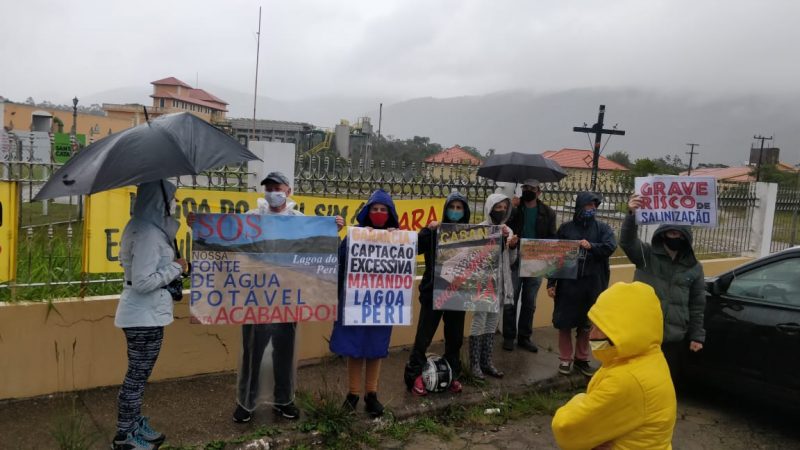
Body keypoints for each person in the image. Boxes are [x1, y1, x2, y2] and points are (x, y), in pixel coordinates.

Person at [231, 171, 344, 423]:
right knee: (252, 351)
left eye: (277, 187)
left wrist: (332, 228)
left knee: (285, 350)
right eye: (268, 188)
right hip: (257, 296)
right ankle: (245, 403)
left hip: (287, 297)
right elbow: (228, 236)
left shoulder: (299, 220)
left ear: (288, 191)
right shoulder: (253, 217)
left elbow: (316, 248)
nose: (273, 192)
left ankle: (284, 400)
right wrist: (199, 224)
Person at [551, 282, 677, 450]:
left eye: (600, 328)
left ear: (624, 331)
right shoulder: (648, 357)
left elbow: (566, 429)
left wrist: (580, 399)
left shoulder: (625, 379)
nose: (592, 335)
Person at [113, 180, 188, 450]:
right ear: (158, 201)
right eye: (170, 199)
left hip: (146, 315)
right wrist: (176, 268)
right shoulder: (147, 233)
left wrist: (172, 266)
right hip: (143, 317)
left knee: (138, 376)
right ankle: (125, 436)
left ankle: (133, 425)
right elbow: (143, 281)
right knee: (136, 377)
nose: (173, 204)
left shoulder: (146, 228)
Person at [329, 189, 399, 417]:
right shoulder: (355, 235)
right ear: (367, 212)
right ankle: (353, 393)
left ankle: (372, 394)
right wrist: (353, 237)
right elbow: (338, 260)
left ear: (390, 214)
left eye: (383, 210)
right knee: (354, 348)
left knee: (376, 348)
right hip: (355, 301)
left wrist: (395, 239)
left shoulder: (398, 238)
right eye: (375, 209)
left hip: (382, 303)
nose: (379, 213)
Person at [620, 194, 705, 376]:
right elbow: (627, 242)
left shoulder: (694, 267)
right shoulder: (646, 256)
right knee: (636, 379)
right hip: (643, 333)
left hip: (673, 338)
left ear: (686, 238)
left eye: (680, 235)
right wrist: (632, 214)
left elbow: (697, 305)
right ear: (663, 234)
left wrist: (697, 335)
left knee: (663, 382)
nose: (676, 237)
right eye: (672, 233)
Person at [403, 191, 470, 396]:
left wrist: (503, 235)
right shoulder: (434, 231)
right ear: (446, 209)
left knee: (454, 339)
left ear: (465, 211)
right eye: (452, 207)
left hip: (458, 295)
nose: (455, 211)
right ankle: (413, 376)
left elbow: (489, 257)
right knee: (423, 337)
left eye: (459, 208)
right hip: (434, 293)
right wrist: (427, 229)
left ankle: (451, 376)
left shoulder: (473, 235)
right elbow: (412, 246)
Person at [547, 192, 616, 377]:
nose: (592, 209)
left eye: (594, 206)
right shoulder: (566, 229)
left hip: (593, 284)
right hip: (568, 285)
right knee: (564, 322)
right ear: (580, 206)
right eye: (588, 206)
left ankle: (582, 358)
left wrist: (591, 246)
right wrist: (551, 282)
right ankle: (565, 359)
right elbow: (556, 256)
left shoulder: (603, 229)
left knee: (586, 324)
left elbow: (610, 247)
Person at [504, 178, 557, 352]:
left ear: (539, 191)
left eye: (532, 188)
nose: (528, 190)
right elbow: (504, 228)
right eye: (525, 187)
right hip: (515, 258)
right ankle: (509, 337)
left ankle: (524, 337)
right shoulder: (515, 209)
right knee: (511, 299)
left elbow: (551, 237)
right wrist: (512, 209)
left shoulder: (548, 213)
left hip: (537, 261)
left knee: (529, 301)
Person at [469, 193, 515, 380]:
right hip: (483, 283)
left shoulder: (507, 230)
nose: (501, 211)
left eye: (504, 208)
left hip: (501, 283)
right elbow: (474, 258)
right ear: (490, 208)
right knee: (479, 320)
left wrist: (511, 246)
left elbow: (511, 260)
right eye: (498, 207)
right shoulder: (479, 230)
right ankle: (474, 365)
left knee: (492, 322)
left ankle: (487, 362)